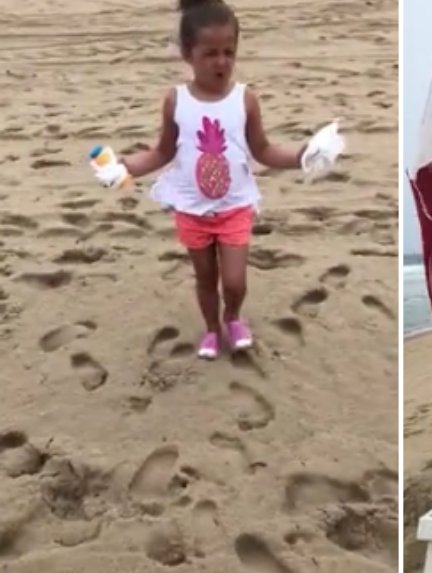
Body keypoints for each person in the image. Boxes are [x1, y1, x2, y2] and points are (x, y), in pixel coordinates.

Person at [95, 0, 323, 359]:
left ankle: (232, 316)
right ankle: (212, 329)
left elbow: (263, 150)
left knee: (234, 281)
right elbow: (161, 152)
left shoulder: (245, 99)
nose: (221, 61)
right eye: (210, 53)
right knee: (204, 278)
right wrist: (123, 166)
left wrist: (302, 155)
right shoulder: (176, 100)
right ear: (188, 54)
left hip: (234, 206)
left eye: (229, 52)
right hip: (192, 208)